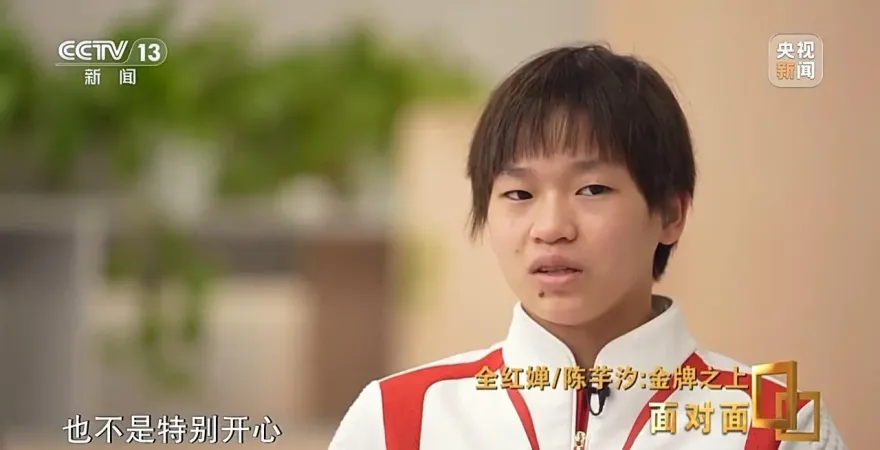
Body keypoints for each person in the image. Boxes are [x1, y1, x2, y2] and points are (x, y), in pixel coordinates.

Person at [328, 44, 846, 450]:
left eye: (592, 189)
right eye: (519, 194)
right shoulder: (400, 419)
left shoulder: (777, 424)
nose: (551, 227)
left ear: (670, 214)